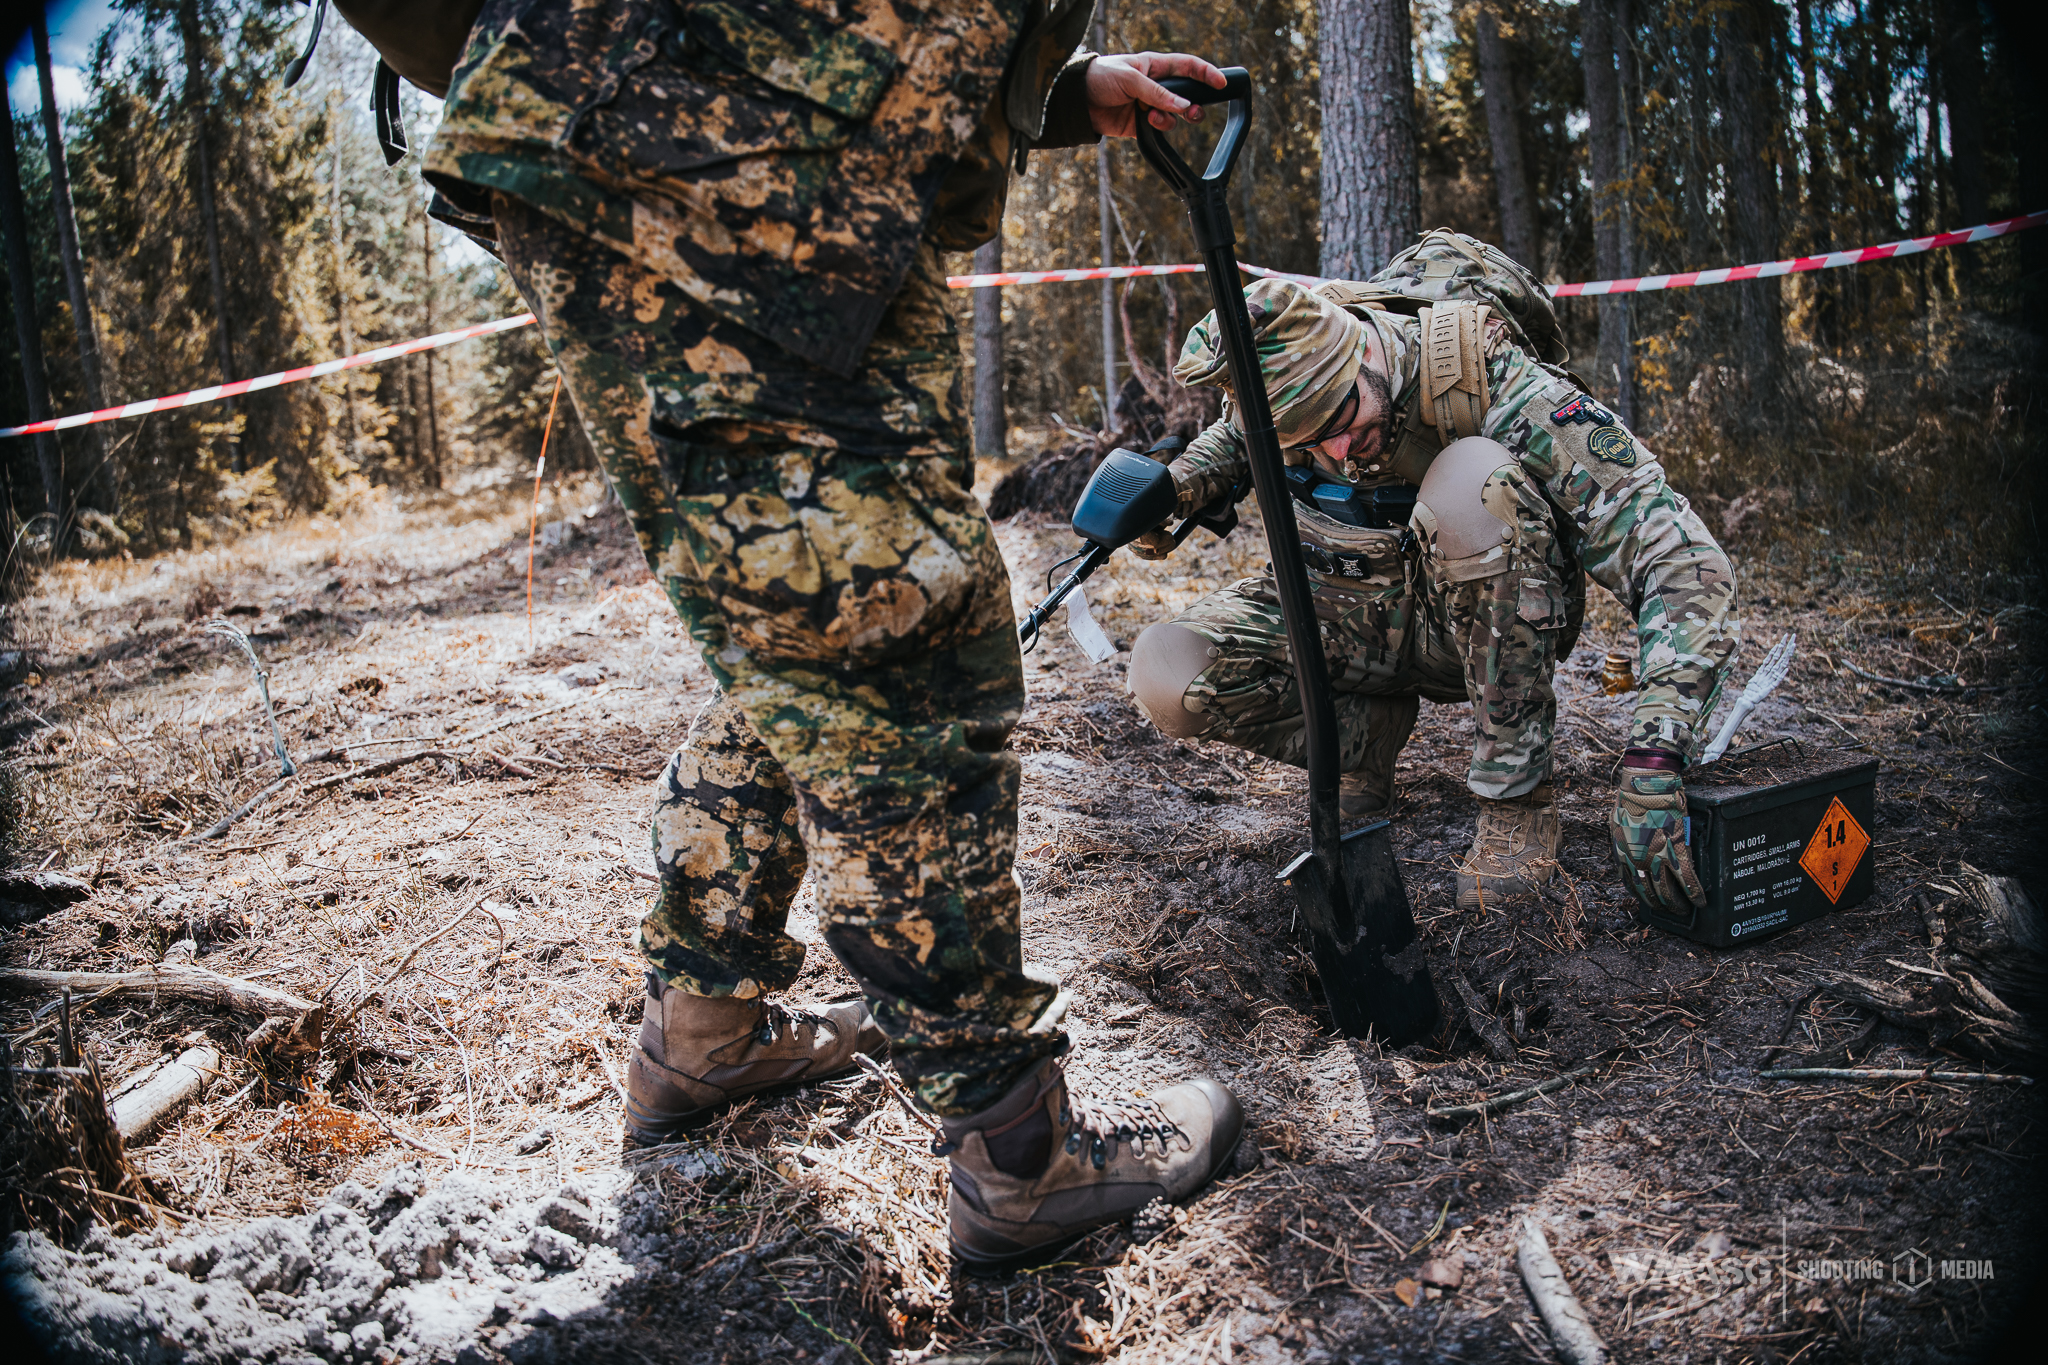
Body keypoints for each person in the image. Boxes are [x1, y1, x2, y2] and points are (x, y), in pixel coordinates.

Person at [417, 0, 1243, 1271]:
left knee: (803, 622)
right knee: (896, 641)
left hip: (681, 133)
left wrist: (1053, 87)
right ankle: (1016, 1157)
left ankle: (703, 1030)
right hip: (743, 163)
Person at [1124, 273, 1738, 919]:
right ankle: (1361, 742)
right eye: (1302, 439)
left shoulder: (1499, 383)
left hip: (1471, 629)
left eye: (1338, 418)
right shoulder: (1278, 388)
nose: (1331, 448)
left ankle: (1516, 798)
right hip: (1340, 612)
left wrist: (1655, 751)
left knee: (1474, 481)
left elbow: (1680, 557)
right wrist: (1176, 485)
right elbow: (1231, 439)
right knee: (1168, 669)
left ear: (1362, 353)